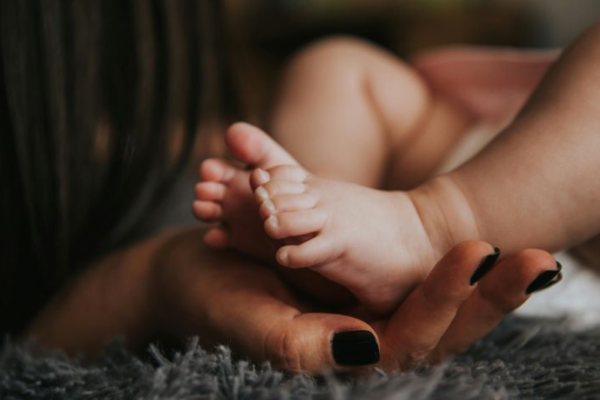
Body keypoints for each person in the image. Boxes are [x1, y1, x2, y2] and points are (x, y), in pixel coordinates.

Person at [1, 0, 556, 375]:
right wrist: (151, 281)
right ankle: (326, 240)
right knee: (333, 67)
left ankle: (365, 235)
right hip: (464, 160)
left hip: (530, 207)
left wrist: (151, 278)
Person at [194, 20, 600, 316]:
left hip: (534, 229)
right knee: (336, 64)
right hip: (482, 155)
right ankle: (320, 227)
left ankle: (429, 227)